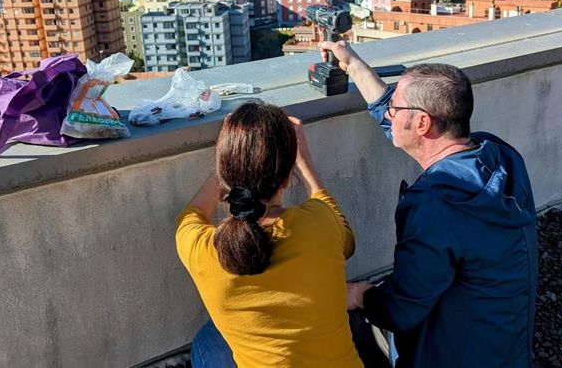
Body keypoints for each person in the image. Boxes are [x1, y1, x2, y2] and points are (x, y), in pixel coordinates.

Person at [319, 40, 538, 368]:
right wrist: (352, 65)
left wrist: (356, 294)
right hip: (508, 349)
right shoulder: (500, 155)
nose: (389, 112)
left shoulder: (436, 205)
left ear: (422, 123)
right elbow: (399, 126)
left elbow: (401, 309)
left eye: (394, 106)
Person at [175, 102, 364, 368]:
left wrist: (230, 152)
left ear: (224, 173)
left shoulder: (201, 248)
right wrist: (305, 161)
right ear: (287, 178)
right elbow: (346, 238)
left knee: (209, 338)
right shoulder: (320, 223)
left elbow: (191, 215)